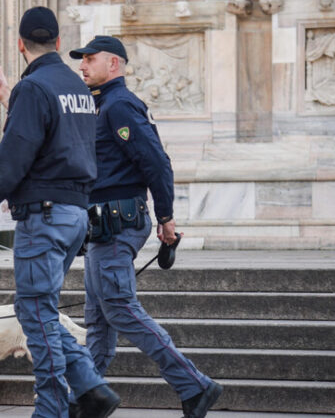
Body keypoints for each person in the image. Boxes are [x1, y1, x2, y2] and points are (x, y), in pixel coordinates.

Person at [0, 7, 120, 418]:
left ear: (19, 44)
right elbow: (58, 141)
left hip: (43, 216)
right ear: (60, 44)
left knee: (34, 313)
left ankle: (51, 407)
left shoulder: (35, 88)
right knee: (38, 309)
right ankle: (90, 385)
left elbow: (13, 159)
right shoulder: (76, 87)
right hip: (75, 213)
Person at [70, 36, 222, 418]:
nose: (83, 65)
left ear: (115, 65)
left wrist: (167, 218)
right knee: (98, 318)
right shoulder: (101, 104)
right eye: (81, 60)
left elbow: (156, 162)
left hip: (117, 223)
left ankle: (195, 385)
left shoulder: (120, 105)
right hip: (102, 226)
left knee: (120, 309)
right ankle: (87, 397)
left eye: (91, 59)